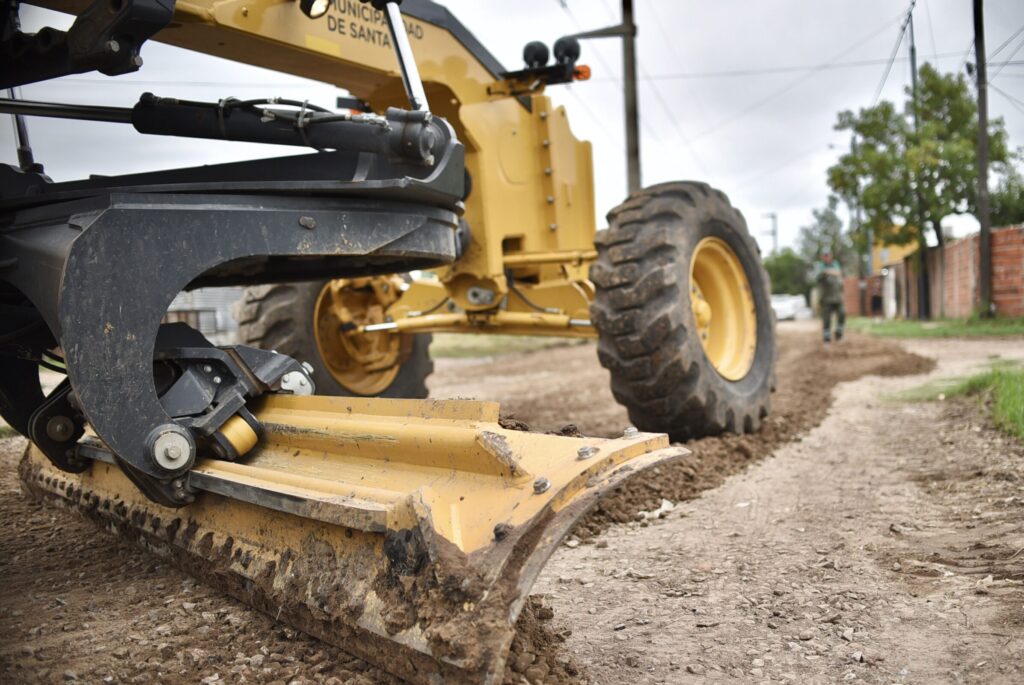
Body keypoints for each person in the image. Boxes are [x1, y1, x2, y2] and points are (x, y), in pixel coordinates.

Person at [815, 251, 845, 343]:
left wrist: (830, 272)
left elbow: (839, 273)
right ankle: (826, 339)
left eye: (828, 255)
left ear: (831, 256)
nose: (826, 257)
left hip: (837, 297)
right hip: (826, 298)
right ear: (822, 257)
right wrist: (830, 272)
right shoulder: (819, 265)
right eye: (824, 256)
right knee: (827, 320)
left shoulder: (835, 264)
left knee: (842, 314)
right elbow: (820, 274)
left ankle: (839, 334)